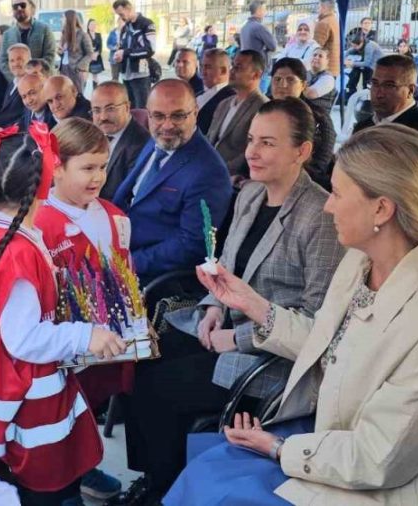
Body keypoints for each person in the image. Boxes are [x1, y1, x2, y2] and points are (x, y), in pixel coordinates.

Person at [170, 124, 418, 505]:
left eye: (339, 193)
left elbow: (380, 459)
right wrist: (251, 304)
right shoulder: (362, 262)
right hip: (333, 439)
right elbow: (328, 344)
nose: (327, 204)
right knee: (208, 468)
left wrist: (280, 448)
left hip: (390, 485)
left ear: (381, 208)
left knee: (220, 488)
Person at [117, 99, 345, 505]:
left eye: (268, 143)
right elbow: (224, 264)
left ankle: (166, 488)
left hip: (270, 357)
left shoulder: (320, 215)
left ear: (302, 151)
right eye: (252, 140)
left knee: (160, 388)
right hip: (223, 326)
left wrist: (236, 338)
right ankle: (154, 475)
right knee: (140, 359)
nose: (252, 152)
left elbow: (316, 323)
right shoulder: (251, 194)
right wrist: (212, 308)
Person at [0, 124, 124, 506]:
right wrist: (84, 334)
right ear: (45, 180)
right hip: (31, 402)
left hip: (7, 387)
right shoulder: (21, 250)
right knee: (47, 488)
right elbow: (23, 338)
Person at [36, 117, 136, 502]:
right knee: (56, 416)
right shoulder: (41, 223)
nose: (98, 177)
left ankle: (84, 465)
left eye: (103, 166)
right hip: (61, 346)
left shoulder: (112, 214)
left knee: (86, 408)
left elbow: (124, 271)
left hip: (102, 344)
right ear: (56, 167)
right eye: (87, 168)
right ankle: (63, 485)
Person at [112, 79, 233, 288]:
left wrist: (127, 262)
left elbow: (193, 246)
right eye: (158, 116)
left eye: (178, 115)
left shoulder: (208, 171)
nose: (167, 125)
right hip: (118, 248)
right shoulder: (157, 141)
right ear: (148, 114)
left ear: (195, 112)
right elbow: (130, 197)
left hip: (152, 276)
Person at [269, 58, 336, 189]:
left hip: (305, 181)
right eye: (277, 79)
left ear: (304, 85)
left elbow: (323, 158)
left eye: (290, 80)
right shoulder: (263, 111)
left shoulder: (318, 116)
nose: (282, 85)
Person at [352, 54, 418, 145]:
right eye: (375, 84)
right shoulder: (362, 129)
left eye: (389, 85)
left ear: (410, 90)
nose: (379, 94)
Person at [207, 50, 269, 180]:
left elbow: (250, 153)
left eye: (238, 67)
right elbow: (209, 138)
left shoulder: (263, 108)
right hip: (208, 168)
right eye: (233, 66)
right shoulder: (224, 104)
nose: (232, 71)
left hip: (232, 177)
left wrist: (220, 170)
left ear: (256, 75)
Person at [93, 81, 151, 201]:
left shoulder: (141, 144)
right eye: (97, 110)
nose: (103, 117)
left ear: (127, 107)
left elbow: (127, 197)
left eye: (110, 109)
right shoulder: (92, 133)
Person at [113, 0, 157, 109]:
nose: (121, 17)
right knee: (129, 109)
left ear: (129, 8)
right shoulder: (125, 27)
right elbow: (123, 48)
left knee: (141, 110)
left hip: (141, 73)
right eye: (118, 15)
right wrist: (119, 55)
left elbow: (150, 49)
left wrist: (125, 53)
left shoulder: (146, 23)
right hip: (126, 75)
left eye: (121, 14)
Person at [0, 0, 57, 74]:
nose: (19, 8)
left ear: (30, 8)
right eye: (15, 6)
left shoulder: (44, 29)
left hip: (41, 81)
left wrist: (35, 75)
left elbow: (50, 56)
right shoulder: (7, 34)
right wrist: (17, 79)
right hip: (17, 83)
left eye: (23, 5)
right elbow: (3, 61)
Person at [0, 43, 33, 128]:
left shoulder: (32, 87)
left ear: (29, 61)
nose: (15, 64)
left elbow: (27, 120)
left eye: (20, 59)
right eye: (12, 60)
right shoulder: (12, 84)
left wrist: (3, 131)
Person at [195, 48, 235, 134]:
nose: (202, 72)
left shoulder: (231, 98)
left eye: (208, 67)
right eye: (202, 66)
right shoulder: (198, 93)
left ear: (223, 70)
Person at [59, 9, 94, 91]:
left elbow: (90, 53)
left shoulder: (83, 35)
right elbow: (65, 53)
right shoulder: (64, 33)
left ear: (69, 19)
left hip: (76, 70)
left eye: (63, 18)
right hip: (64, 68)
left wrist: (80, 67)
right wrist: (60, 52)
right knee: (65, 94)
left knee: (77, 94)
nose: (61, 20)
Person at [344, 31, 384, 97]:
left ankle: (367, 97)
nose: (354, 47)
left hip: (375, 65)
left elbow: (367, 63)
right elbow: (350, 51)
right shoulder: (359, 44)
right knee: (355, 73)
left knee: (367, 82)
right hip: (368, 64)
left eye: (356, 46)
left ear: (361, 43)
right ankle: (351, 94)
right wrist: (345, 59)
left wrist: (352, 63)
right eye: (353, 45)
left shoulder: (369, 46)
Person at [240, 0, 278, 65]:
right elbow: (273, 46)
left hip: (247, 64)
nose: (266, 12)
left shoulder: (244, 27)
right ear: (259, 11)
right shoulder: (260, 27)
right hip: (259, 66)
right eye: (264, 10)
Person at [18, 64, 54, 130]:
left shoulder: (55, 111)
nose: (29, 100)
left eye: (32, 93)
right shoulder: (28, 111)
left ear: (45, 89)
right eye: (24, 97)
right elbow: (20, 126)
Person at [313, 0, 341, 77]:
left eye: (318, 7)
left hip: (325, 67)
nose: (317, 10)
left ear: (323, 8)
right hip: (334, 66)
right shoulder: (334, 20)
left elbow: (316, 47)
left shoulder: (323, 23)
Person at [303, 47, 337, 114]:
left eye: (320, 56)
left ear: (327, 61)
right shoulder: (305, 73)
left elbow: (310, 94)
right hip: (303, 111)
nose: (316, 57)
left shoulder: (328, 78)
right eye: (314, 55)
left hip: (317, 116)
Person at [87, 19, 106, 83]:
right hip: (87, 57)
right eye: (91, 24)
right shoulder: (85, 35)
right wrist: (90, 54)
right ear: (88, 26)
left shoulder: (98, 35)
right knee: (86, 75)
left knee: (95, 75)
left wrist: (97, 54)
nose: (93, 26)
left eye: (94, 24)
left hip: (96, 57)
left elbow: (100, 47)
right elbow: (84, 46)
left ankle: (95, 89)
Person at [106, 17, 122, 81]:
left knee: (125, 79)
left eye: (122, 21)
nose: (121, 23)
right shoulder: (113, 32)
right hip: (114, 58)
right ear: (117, 22)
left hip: (124, 58)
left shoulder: (128, 31)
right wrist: (115, 48)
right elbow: (108, 44)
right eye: (119, 21)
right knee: (115, 78)